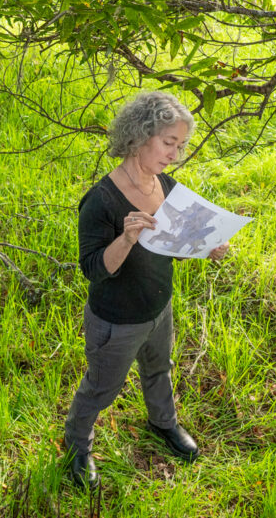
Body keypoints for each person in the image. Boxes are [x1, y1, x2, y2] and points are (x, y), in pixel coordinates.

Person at [64, 91, 229, 490]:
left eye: (181, 145)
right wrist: (126, 238)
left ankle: (163, 423)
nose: (175, 154)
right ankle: (76, 447)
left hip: (159, 307)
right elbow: (93, 270)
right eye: (169, 142)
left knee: (159, 369)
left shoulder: (166, 186)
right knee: (102, 387)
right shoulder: (101, 200)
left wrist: (206, 248)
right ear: (140, 137)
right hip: (116, 320)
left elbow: (173, 247)